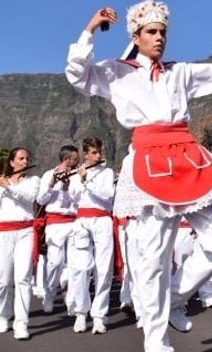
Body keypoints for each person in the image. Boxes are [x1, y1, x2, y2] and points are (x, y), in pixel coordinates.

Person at [65, 0, 212, 352]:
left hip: (186, 154)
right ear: (136, 35)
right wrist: (89, 29)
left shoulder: (179, 72)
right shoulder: (118, 71)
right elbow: (77, 75)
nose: (159, 37)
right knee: (153, 259)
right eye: (151, 32)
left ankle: (177, 298)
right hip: (148, 160)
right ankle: (157, 342)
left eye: (163, 31)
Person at [66, 137, 117, 333]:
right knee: (79, 268)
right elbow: (73, 199)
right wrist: (72, 180)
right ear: (85, 154)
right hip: (81, 220)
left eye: (99, 152)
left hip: (102, 219)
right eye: (94, 153)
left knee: (103, 269)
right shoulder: (74, 174)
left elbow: (107, 195)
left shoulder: (107, 172)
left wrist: (86, 179)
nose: (98, 155)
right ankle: (81, 313)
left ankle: (99, 316)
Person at [0, 147, 40, 340]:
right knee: (3, 281)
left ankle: (21, 323)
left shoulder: (33, 181)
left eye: (27, 159)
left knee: (23, 279)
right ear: (12, 162)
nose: (25, 162)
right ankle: (3, 314)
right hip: (2, 233)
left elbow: (30, 198)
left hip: (25, 231)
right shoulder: (0, 182)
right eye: (21, 159)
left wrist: (8, 187)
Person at [36, 145, 80, 314]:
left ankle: (71, 299)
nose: (78, 162)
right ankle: (49, 294)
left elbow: (78, 202)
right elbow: (41, 200)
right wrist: (52, 183)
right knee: (55, 262)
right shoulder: (48, 174)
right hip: (55, 223)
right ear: (67, 159)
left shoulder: (78, 176)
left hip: (74, 221)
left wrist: (67, 187)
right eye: (76, 159)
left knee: (73, 263)